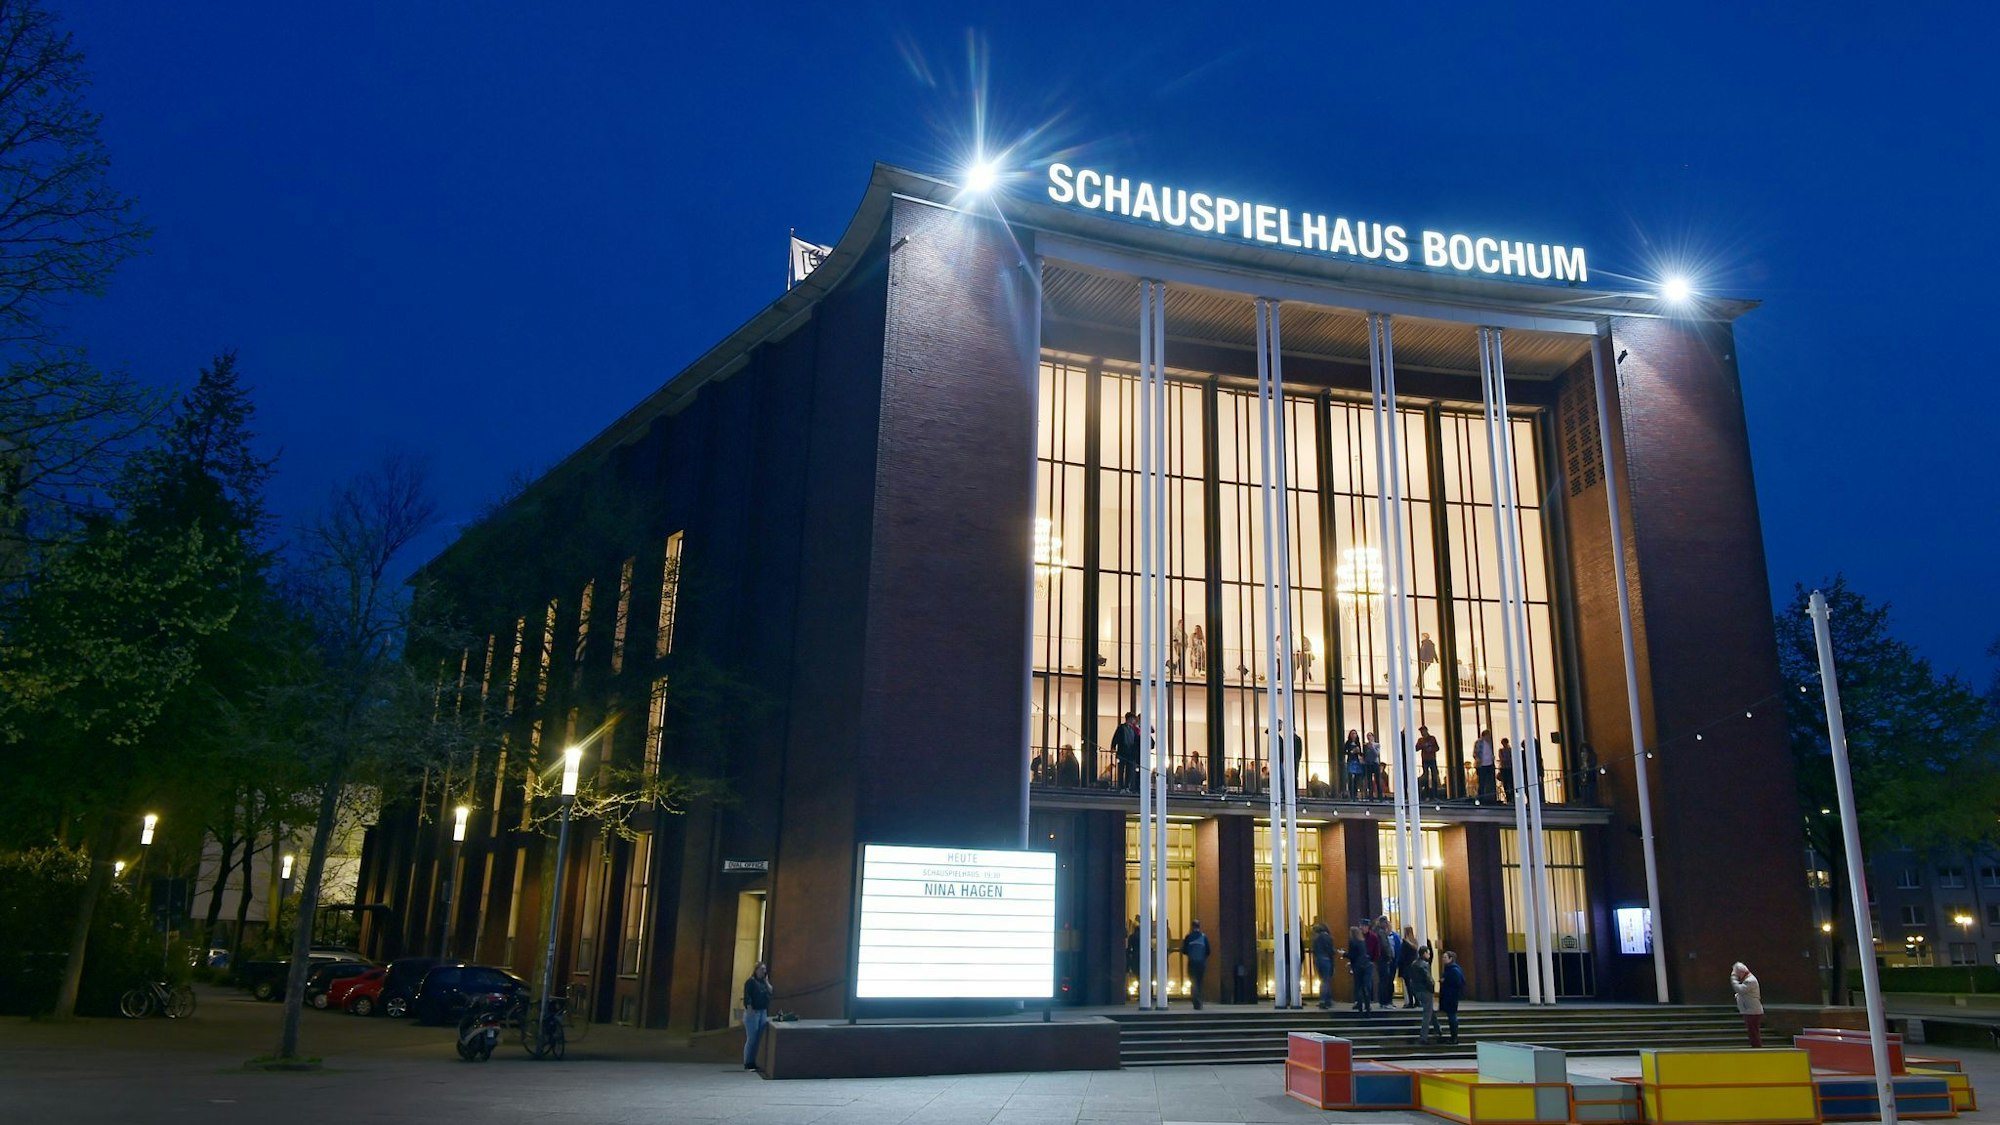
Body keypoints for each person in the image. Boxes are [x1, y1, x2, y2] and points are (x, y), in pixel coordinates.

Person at [741, 961, 772, 1070]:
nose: (764, 971)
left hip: (762, 1011)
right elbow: (747, 996)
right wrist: (749, 1008)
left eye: (764, 969)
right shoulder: (751, 982)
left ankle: (753, 1061)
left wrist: (766, 981)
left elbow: (771, 991)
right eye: (761, 969)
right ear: (756, 970)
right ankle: (747, 1062)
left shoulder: (764, 982)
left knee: (758, 1038)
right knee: (752, 1038)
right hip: (753, 1012)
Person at [1731, 962, 1763, 1047]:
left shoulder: (1750, 981)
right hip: (1749, 1010)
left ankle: (1757, 1050)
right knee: (1752, 1032)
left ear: (1741, 972)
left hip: (1753, 1011)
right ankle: (1755, 1047)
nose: (1737, 976)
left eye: (1737, 974)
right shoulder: (1747, 980)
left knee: (1754, 1032)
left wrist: (1733, 979)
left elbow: (1740, 989)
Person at [1411, 948, 1439, 1043]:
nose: (1429, 954)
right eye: (1428, 953)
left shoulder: (1414, 964)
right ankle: (1423, 1036)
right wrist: (1432, 988)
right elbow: (1428, 978)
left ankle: (1438, 1029)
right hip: (1425, 991)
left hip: (1417, 991)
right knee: (1427, 1014)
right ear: (1424, 953)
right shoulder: (1424, 965)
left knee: (1430, 1010)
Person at [1437, 951, 1465, 1044]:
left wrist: (1445, 981)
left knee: (1452, 1016)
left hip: (1451, 997)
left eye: (1445, 957)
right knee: (1451, 1016)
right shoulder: (1451, 969)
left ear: (1450, 958)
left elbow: (1457, 982)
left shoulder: (1453, 970)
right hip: (1450, 996)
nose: (1443, 959)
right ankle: (1453, 1037)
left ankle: (1454, 1037)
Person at [1182, 920, 1210, 1009]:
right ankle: (1200, 1001)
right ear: (1199, 926)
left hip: (1192, 963)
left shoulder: (1189, 937)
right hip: (1201, 963)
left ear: (1192, 926)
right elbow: (1208, 951)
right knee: (1200, 981)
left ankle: (1195, 1000)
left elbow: (1184, 950)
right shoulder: (1204, 937)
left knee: (1193, 982)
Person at [1345, 925, 1373, 1013]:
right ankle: (1367, 1006)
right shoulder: (1362, 941)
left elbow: (1352, 955)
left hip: (1357, 966)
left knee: (1358, 986)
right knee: (1366, 986)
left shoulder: (1352, 942)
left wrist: (1344, 954)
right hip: (1366, 965)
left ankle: (1360, 1005)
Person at [1112, 712, 1141, 792]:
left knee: (1129, 770)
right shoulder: (1121, 727)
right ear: (1129, 719)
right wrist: (1113, 746)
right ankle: (1121, 787)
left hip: (1131, 753)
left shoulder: (1134, 730)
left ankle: (1127, 787)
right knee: (1121, 770)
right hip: (1122, 752)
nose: (1134, 721)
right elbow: (1116, 737)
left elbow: (1136, 740)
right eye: (1133, 719)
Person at [1373, 916, 1397, 1008]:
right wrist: (1389, 956)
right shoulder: (1381, 932)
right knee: (1385, 981)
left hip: (1379, 959)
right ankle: (1385, 1002)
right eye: (1386, 923)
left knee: (1382, 981)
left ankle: (1382, 1001)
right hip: (1383, 959)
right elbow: (1385, 946)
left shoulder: (1376, 931)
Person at [1312, 923, 1337, 1009]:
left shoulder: (1316, 938)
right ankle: (1324, 1000)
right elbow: (1330, 951)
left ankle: (1327, 999)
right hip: (1326, 959)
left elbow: (1314, 950)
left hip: (1318, 960)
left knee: (1323, 980)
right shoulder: (1327, 937)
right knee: (1326, 980)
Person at [1398, 926, 1420, 1007]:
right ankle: (1417, 1001)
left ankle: (1411, 1001)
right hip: (1413, 965)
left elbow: (1402, 955)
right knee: (1413, 984)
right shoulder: (1414, 941)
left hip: (1406, 966)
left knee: (1408, 984)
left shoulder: (1405, 943)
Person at [1416, 726, 1442, 798]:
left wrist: (1431, 749)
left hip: (1432, 759)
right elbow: (1416, 748)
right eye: (1421, 732)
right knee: (1426, 777)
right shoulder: (1420, 740)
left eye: (1423, 731)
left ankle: (1435, 795)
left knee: (1434, 776)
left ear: (1426, 731)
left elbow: (1437, 748)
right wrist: (1421, 746)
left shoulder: (1432, 739)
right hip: (1425, 760)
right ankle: (1427, 794)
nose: (1422, 733)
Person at [1474, 729, 1496, 801]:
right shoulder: (1479, 742)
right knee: (1482, 782)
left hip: (1489, 764)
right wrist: (1478, 760)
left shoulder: (1489, 743)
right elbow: (1476, 753)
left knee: (1489, 781)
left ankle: (1489, 797)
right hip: (1482, 765)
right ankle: (1481, 798)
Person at [1344, 730, 1364, 798]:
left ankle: (1355, 793)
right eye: (1352, 734)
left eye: (1355, 734)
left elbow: (1360, 753)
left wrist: (1358, 752)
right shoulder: (1348, 743)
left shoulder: (1358, 743)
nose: (1353, 735)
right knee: (1350, 778)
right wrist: (1351, 751)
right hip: (1351, 761)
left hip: (1357, 761)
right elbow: (1345, 751)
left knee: (1356, 778)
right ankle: (1351, 793)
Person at [1362, 732, 1383, 799]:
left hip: (1375, 763)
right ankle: (1370, 796)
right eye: (1367, 736)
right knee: (1369, 780)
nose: (1369, 737)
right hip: (1368, 764)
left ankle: (1380, 796)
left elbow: (1376, 754)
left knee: (1377, 780)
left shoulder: (1377, 745)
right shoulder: (1365, 745)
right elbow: (1365, 755)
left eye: (1370, 735)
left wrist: (1372, 746)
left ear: (1373, 737)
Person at [1497, 737, 1514, 805]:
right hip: (1506, 768)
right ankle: (1509, 798)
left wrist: (1503, 761)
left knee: (1509, 783)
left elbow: (1502, 759)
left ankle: (1511, 798)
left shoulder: (1509, 750)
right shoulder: (1503, 750)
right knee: (1507, 783)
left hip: (1507, 768)